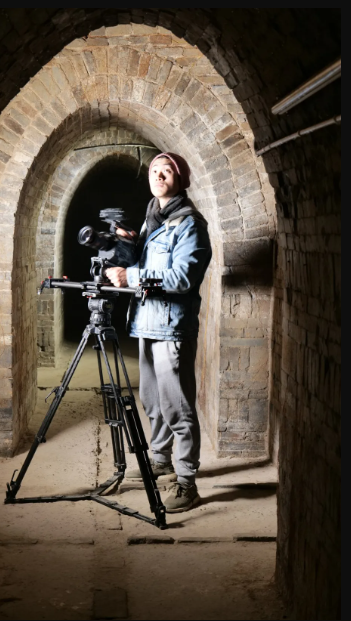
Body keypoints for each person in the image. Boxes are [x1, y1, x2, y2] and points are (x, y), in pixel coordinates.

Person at [106, 153, 212, 513]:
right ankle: (161, 460)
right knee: (153, 401)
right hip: (146, 323)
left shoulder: (190, 224)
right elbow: (146, 263)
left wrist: (132, 277)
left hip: (172, 328)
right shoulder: (153, 220)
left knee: (177, 406)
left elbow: (183, 278)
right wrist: (129, 247)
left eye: (167, 171)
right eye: (154, 170)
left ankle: (187, 483)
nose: (159, 176)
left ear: (180, 180)